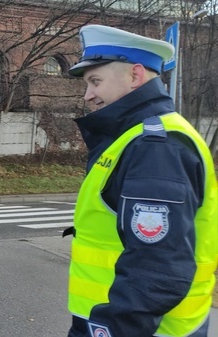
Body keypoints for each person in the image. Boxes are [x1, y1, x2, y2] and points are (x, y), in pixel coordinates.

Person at [65, 25, 217, 336]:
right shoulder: (139, 137)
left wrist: (111, 330)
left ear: (135, 76)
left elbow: (157, 267)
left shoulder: (155, 147)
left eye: (95, 81)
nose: (88, 95)